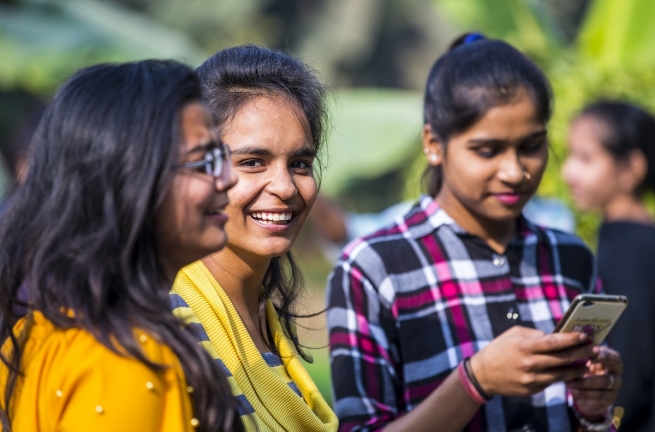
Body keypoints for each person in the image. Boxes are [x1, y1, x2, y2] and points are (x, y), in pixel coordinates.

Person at [327, 33, 622, 432]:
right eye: (487, 150)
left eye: (532, 145)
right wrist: (475, 382)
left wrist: (592, 411)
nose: (515, 171)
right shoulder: (372, 268)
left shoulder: (569, 258)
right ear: (434, 144)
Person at [0, 60, 242, 432]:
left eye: (221, 157)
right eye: (203, 161)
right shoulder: (123, 359)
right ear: (129, 180)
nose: (228, 178)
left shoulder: (42, 328)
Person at [170, 45, 338, 432]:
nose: (284, 186)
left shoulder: (265, 320)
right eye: (251, 162)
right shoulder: (166, 321)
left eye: (299, 164)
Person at [563, 100, 655, 432]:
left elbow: (630, 357)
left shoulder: (623, 247)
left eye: (586, 158)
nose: (568, 173)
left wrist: (608, 420)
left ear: (631, 168)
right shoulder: (644, 238)